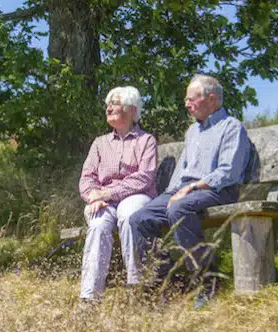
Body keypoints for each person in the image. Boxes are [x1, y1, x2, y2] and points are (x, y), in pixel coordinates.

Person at [129, 74, 250, 308]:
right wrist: (170, 193)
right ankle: (164, 283)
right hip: (186, 191)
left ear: (211, 99)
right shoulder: (192, 132)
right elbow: (181, 172)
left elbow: (229, 172)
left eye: (190, 99)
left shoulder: (231, 128)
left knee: (179, 208)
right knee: (140, 218)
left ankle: (208, 280)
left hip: (217, 190)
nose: (186, 104)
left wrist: (191, 188)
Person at [79, 86, 158, 301]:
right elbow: (87, 177)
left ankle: (137, 285)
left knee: (129, 214)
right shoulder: (99, 143)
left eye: (115, 103)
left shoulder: (146, 141)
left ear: (132, 110)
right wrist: (93, 196)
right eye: (108, 104)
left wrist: (107, 193)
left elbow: (144, 177)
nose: (109, 108)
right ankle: (89, 296)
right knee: (97, 223)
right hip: (104, 201)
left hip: (136, 195)